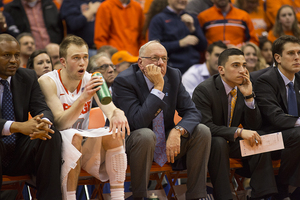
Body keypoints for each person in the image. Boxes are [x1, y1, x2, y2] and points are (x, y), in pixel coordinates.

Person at [113, 40, 211, 200]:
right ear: (140, 62)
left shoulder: (174, 75)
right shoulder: (124, 81)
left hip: (165, 142)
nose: (160, 63)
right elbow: (137, 122)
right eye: (154, 58)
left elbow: (192, 112)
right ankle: (139, 196)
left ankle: (196, 196)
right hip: (134, 143)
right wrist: (158, 87)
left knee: (202, 131)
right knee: (145, 135)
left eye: (164, 59)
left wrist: (177, 131)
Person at [38, 35, 129, 200]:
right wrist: (83, 98)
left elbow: (110, 109)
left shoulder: (91, 79)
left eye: (85, 57)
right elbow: (59, 123)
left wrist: (118, 113)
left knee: (115, 133)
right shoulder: (48, 81)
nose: (82, 62)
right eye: (76, 58)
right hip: (54, 147)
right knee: (74, 136)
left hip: (82, 146)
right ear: (63, 62)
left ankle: (118, 197)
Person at [192, 48, 277, 200]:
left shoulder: (243, 87)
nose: (242, 70)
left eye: (244, 65)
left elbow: (254, 125)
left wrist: (249, 97)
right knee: (218, 142)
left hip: (231, 144)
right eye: (236, 65)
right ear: (221, 70)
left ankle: (262, 194)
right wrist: (238, 132)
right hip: (210, 144)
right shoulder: (204, 90)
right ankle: (225, 197)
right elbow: (205, 126)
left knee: (260, 136)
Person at [0, 33, 62, 200]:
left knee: (50, 136)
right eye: (7, 55)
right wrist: (18, 126)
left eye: (16, 55)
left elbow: (42, 108)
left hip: (18, 152)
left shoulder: (27, 76)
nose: (14, 60)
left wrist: (43, 123)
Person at [254, 35, 300, 199]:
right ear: (278, 58)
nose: (297, 57)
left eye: (299, 53)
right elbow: (275, 117)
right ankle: (283, 187)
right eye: (291, 53)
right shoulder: (265, 81)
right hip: (268, 139)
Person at [148, 0, 207, 74]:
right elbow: (153, 48)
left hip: (194, 69)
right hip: (170, 70)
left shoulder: (192, 18)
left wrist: (193, 30)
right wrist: (180, 43)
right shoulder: (159, 19)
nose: (181, 0)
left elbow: (203, 46)